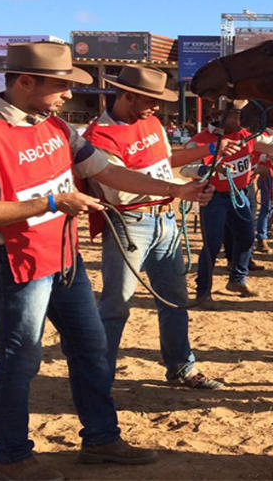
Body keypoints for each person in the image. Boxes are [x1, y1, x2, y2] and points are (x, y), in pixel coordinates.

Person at [0, 42, 215, 479]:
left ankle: (100, 439)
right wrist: (48, 203)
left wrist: (175, 190)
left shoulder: (56, 127)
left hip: (63, 255)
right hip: (16, 264)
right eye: (61, 85)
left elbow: (105, 171)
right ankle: (13, 456)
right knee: (20, 359)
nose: (69, 95)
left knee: (91, 346)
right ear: (24, 81)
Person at [83, 65, 238, 390]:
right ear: (127, 95)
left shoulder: (150, 122)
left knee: (174, 300)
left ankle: (181, 367)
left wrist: (203, 160)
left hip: (164, 220)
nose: (157, 107)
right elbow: (118, 190)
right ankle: (98, 379)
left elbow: (163, 162)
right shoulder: (99, 136)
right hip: (129, 224)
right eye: (151, 100)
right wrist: (178, 189)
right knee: (115, 305)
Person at [180, 99, 273, 308]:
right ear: (224, 115)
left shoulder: (247, 135)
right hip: (213, 197)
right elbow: (185, 167)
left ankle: (237, 279)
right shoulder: (201, 140)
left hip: (241, 193)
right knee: (212, 245)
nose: (246, 119)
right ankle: (203, 291)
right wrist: (212, 170)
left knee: (246, 238)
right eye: (240, 114)